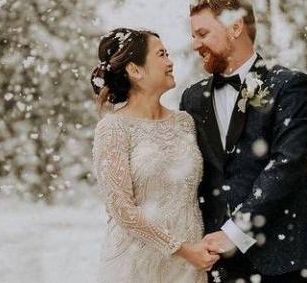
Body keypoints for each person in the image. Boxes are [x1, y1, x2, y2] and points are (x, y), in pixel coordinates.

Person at [179, 0, 307, 282]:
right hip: (217, 260)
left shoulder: (289, 86)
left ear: (235, 27)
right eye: (193, 35)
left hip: (284, 255)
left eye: (202, 33)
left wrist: (236, 231)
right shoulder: (192, 98)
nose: (195, 44)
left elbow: (286, 165)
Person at [90, 28, 219, 283]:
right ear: (135, 70)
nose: (170, 62)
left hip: (188, 269)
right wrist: (181, 249)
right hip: (136, 267)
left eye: (168, 54)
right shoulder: (114, 128)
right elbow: (120, 207)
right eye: (161, 55)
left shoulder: (185, 122)